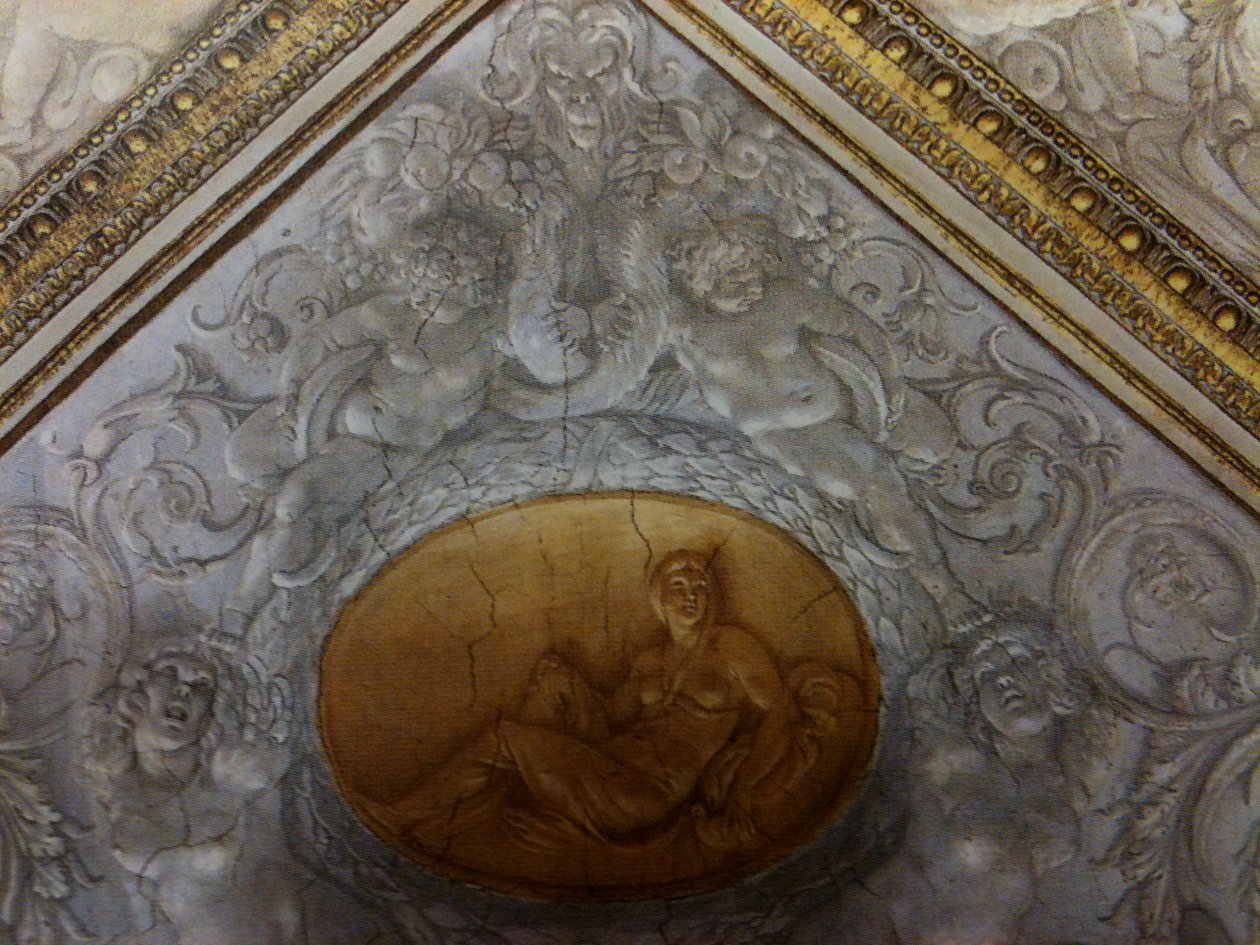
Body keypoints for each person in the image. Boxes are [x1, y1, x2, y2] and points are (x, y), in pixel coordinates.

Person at [387, 551, 808, 857]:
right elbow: (609, 721)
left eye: (700, 587)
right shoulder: (650, 661)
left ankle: (407, 815)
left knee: (506, 738)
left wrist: (742, 795)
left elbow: (783, 715)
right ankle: (471, 804)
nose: (691, 597)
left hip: (645, 792)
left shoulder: (732, 646)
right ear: (658, 599)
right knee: (550, 691)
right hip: (609, 764)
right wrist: (565, 681)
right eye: (678, 587)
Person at [89, 641, 399, 945]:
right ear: (137, 690)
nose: (184, 689)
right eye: (170, 673)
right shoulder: (110, 787)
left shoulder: (237, 770)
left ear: (210, 713)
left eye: (201, 684)